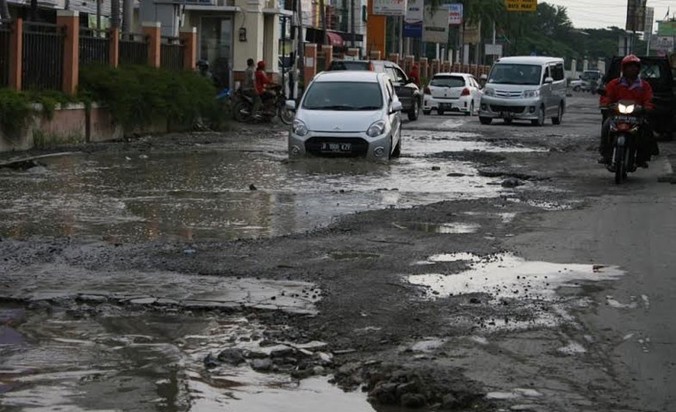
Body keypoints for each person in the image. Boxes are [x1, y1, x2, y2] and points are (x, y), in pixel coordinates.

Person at [598, 54, 656, 168]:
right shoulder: (614, 83)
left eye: (635, 66)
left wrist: (647, 107)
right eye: (629, 66)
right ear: (623, 68)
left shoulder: (644, 86)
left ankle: (642, 158)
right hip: (617, 115)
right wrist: (605, 105)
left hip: (636, 115)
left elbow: (649, 99)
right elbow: (607, 96)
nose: (632, 69)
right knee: (606, 127)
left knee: (646, 130)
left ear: (638, 69)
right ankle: (606, 155)